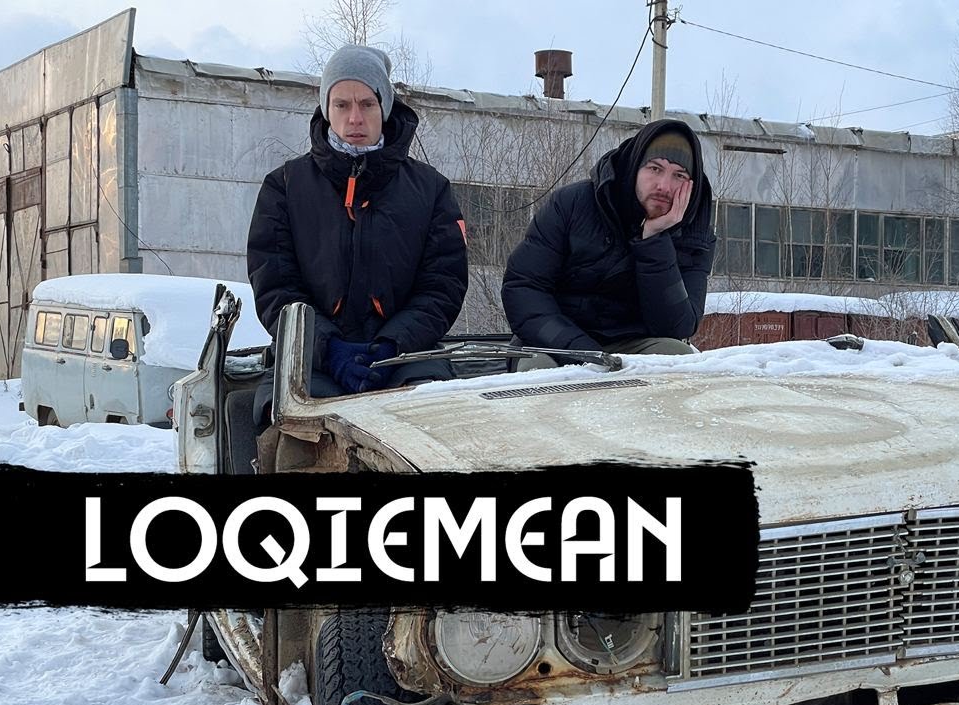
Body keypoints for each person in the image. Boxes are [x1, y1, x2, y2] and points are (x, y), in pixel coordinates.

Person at [247, 45, 468, 428]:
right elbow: (276, 288)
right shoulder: (284, 186)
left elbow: (442, 287)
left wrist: (392, 346)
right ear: (326, 108)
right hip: (310, 359)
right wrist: (328, 348)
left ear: (385, 107)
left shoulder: (431, 190)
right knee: (292, 427)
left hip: (408, 357)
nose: (354, 118)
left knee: (438, 423)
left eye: (367, 104)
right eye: (341, 104)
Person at [501, 119, 715, 369]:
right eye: (655, 169)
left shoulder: (694, 236)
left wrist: (654, 240)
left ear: (692, 185)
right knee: (537, 371)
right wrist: (586, 354)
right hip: (554, 343)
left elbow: (676, 327)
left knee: (677, 358)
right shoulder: (572, 204)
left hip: (631, 345)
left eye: (679, 175)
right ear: (634, 167)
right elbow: (523, 288)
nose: (664, 186)